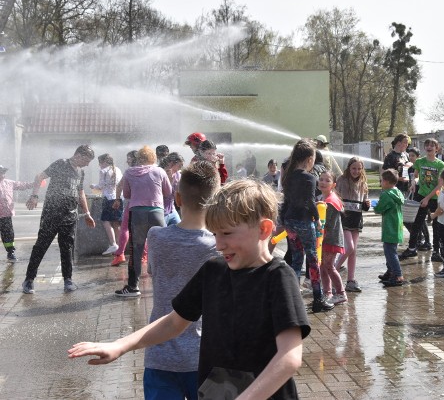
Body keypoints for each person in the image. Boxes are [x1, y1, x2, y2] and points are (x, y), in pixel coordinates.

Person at [69, 179, 311, 400]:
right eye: (215, 234)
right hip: (219, 392)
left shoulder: (278, 277)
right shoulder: (213, 271)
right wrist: (119, 345)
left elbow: (289, 358)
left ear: (264, 229)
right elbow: (174, 322)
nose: (219, 244)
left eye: (226, 233)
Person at [143, 160, 220, 399]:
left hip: (160, 352)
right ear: (215, 202)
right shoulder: (218, 246)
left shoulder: (155, 237)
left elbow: (152, 272)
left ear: (178, 198)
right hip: (206, 356)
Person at [22, 145, 96, 294]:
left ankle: (68, 280)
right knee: (41, 246)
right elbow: (39, 176)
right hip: (52, 213)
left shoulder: (80, 172)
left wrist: (87, 213)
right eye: (87, 160)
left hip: (70, 215)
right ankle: (29, 280)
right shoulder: (61, 163)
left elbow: (80, 192)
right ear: (79, 155)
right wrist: (34, 195)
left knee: (67, 248)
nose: (87, 164)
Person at [282, 138, 334, 313]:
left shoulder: (288, 176)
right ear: (310, 159)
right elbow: (310, 202)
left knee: (296, 260)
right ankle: (318, 299)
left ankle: (292, 300)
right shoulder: (310, 178)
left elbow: (286, 201)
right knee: (312, 260)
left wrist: (283, 221)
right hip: (304, 222)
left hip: (290, 222)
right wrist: (317, 220)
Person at [114, 145, 171, 297]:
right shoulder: (159, 171)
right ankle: (166, 285)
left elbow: (126, 194)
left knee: (136, 251)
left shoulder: (129, 172)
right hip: (156, 213)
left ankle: (133, 287)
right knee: (161, 248)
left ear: (139, 158)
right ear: (153, 158)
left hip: (137, 213)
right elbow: (168, 192)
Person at [400, 138, 444, 261]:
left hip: (434, 198)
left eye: (432, 145)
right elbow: (415, 175)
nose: (429, 147)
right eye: (427, 145)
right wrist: (413, 184)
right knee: (416, 224)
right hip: (420, 196)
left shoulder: (440, 164)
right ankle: (411, 249)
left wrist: (428, 198)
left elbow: (439, 185)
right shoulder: (420, 161)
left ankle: (436, 252)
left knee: (436, 226)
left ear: (437, 148)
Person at [334, 156, 370, 293]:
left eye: (359, 169)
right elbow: (335, 198)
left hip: (356, 219)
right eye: (354, 168)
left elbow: (365, 205)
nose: (356, 171)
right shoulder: (341, 181)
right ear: (349, 168)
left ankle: (350, 280)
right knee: (349, 247)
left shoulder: (363, 184)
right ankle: (333, 270)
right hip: (344, 218)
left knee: (353, 251)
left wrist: (366, 205)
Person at [317, 171, 347, 305]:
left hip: (331, 239)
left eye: (327, 180)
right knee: (323, 266)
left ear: (333, 185)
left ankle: (341, 293)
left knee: (329, 266)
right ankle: (327, 292)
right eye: (321, 179)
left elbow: (325, 223)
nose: (323, 182)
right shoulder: (323, 198)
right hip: (325, 239)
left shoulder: (330, 202)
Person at [374, 169, 407, 287]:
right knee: (390, 250)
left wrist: (375, 206)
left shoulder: (386, 194)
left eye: (382, 180)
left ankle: (398, 276)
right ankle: (390, 272)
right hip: (397, 226)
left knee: (390, 252)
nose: (381, 183)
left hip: (389, 226)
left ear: (387, 182)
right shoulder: (397, 191)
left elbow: (379, 209)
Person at [0, 165, 34, 262]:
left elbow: (22, 185)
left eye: (3, 172)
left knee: (8, 234)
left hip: (6, 214)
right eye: (0, 172)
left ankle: (10, 252)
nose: (2, 174)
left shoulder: (9, 183)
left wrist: (34, 183)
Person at [91, 154, 123, 256]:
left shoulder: (103, 171)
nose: (99, 165)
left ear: (105, 162)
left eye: (100, 162)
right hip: (118, 199)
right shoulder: (117, 169)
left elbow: (100, 186)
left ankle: (113, 244)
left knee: (105, 221)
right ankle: (119, 247)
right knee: (116, 223)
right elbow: (120, 184)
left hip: (108, 199)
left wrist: (93, 186)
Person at [110, 150, 137, 267]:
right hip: (146, 206)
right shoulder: (148, 170)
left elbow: (120, 186)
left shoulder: (129, 171)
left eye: (129, 158)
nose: (127, 161)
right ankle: (144, 255)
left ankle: (120, 254)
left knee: (125, 228)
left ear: (135, 159)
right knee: (143, 230)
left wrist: (117, 199)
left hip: (131, 205)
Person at [158, 152, 184, 226]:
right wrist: (170, 181)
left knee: (180, 230)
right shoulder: (159, 173)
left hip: (172, 210)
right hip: (161, 211)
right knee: (162, 234)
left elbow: (178, 193)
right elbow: (163, 194)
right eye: (179, 166)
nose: (180, 168)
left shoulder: (177, 175)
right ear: (171, 163)